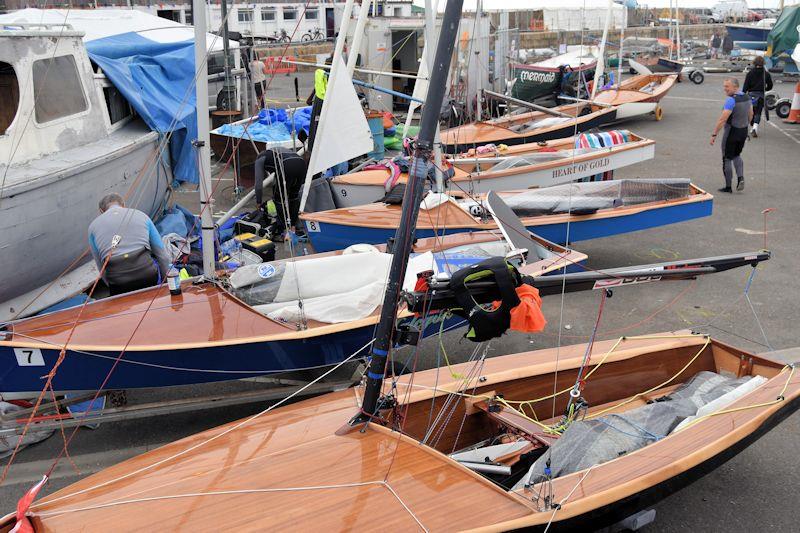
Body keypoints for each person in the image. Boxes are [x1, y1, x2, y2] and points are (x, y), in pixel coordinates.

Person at [88, 193, 171, 295]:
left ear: (101, 211)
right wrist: (166, 281)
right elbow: (162, 255)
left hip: (118, 282)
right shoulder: (141, 215)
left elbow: (101, 267)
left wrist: (112, 286)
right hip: (148, 275)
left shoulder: (92, 227)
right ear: (123, 205)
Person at [710, 78, 753, 193]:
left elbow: (722, 119)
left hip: (731, 132)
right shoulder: (746, 97)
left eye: (727, 87)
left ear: (735, 87)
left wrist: (714, 134)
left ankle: (728, 187)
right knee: (737, 155)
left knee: (727, 158)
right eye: (724, 86)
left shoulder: (731, 100)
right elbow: (751, 114)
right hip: (743, 131)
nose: (725, 89)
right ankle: (740, 178)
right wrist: (746, 128)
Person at [742, 56, 773, 137]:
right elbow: (770, 85)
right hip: (760, 96)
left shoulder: (750, 73)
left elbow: (745, 86)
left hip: (751, 95)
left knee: (751, 113)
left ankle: (752, 126)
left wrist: (742, 95)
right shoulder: (766, 74)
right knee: (758, 113)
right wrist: (765, 89)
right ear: (763, 63)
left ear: (754, 63)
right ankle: (755, 128)